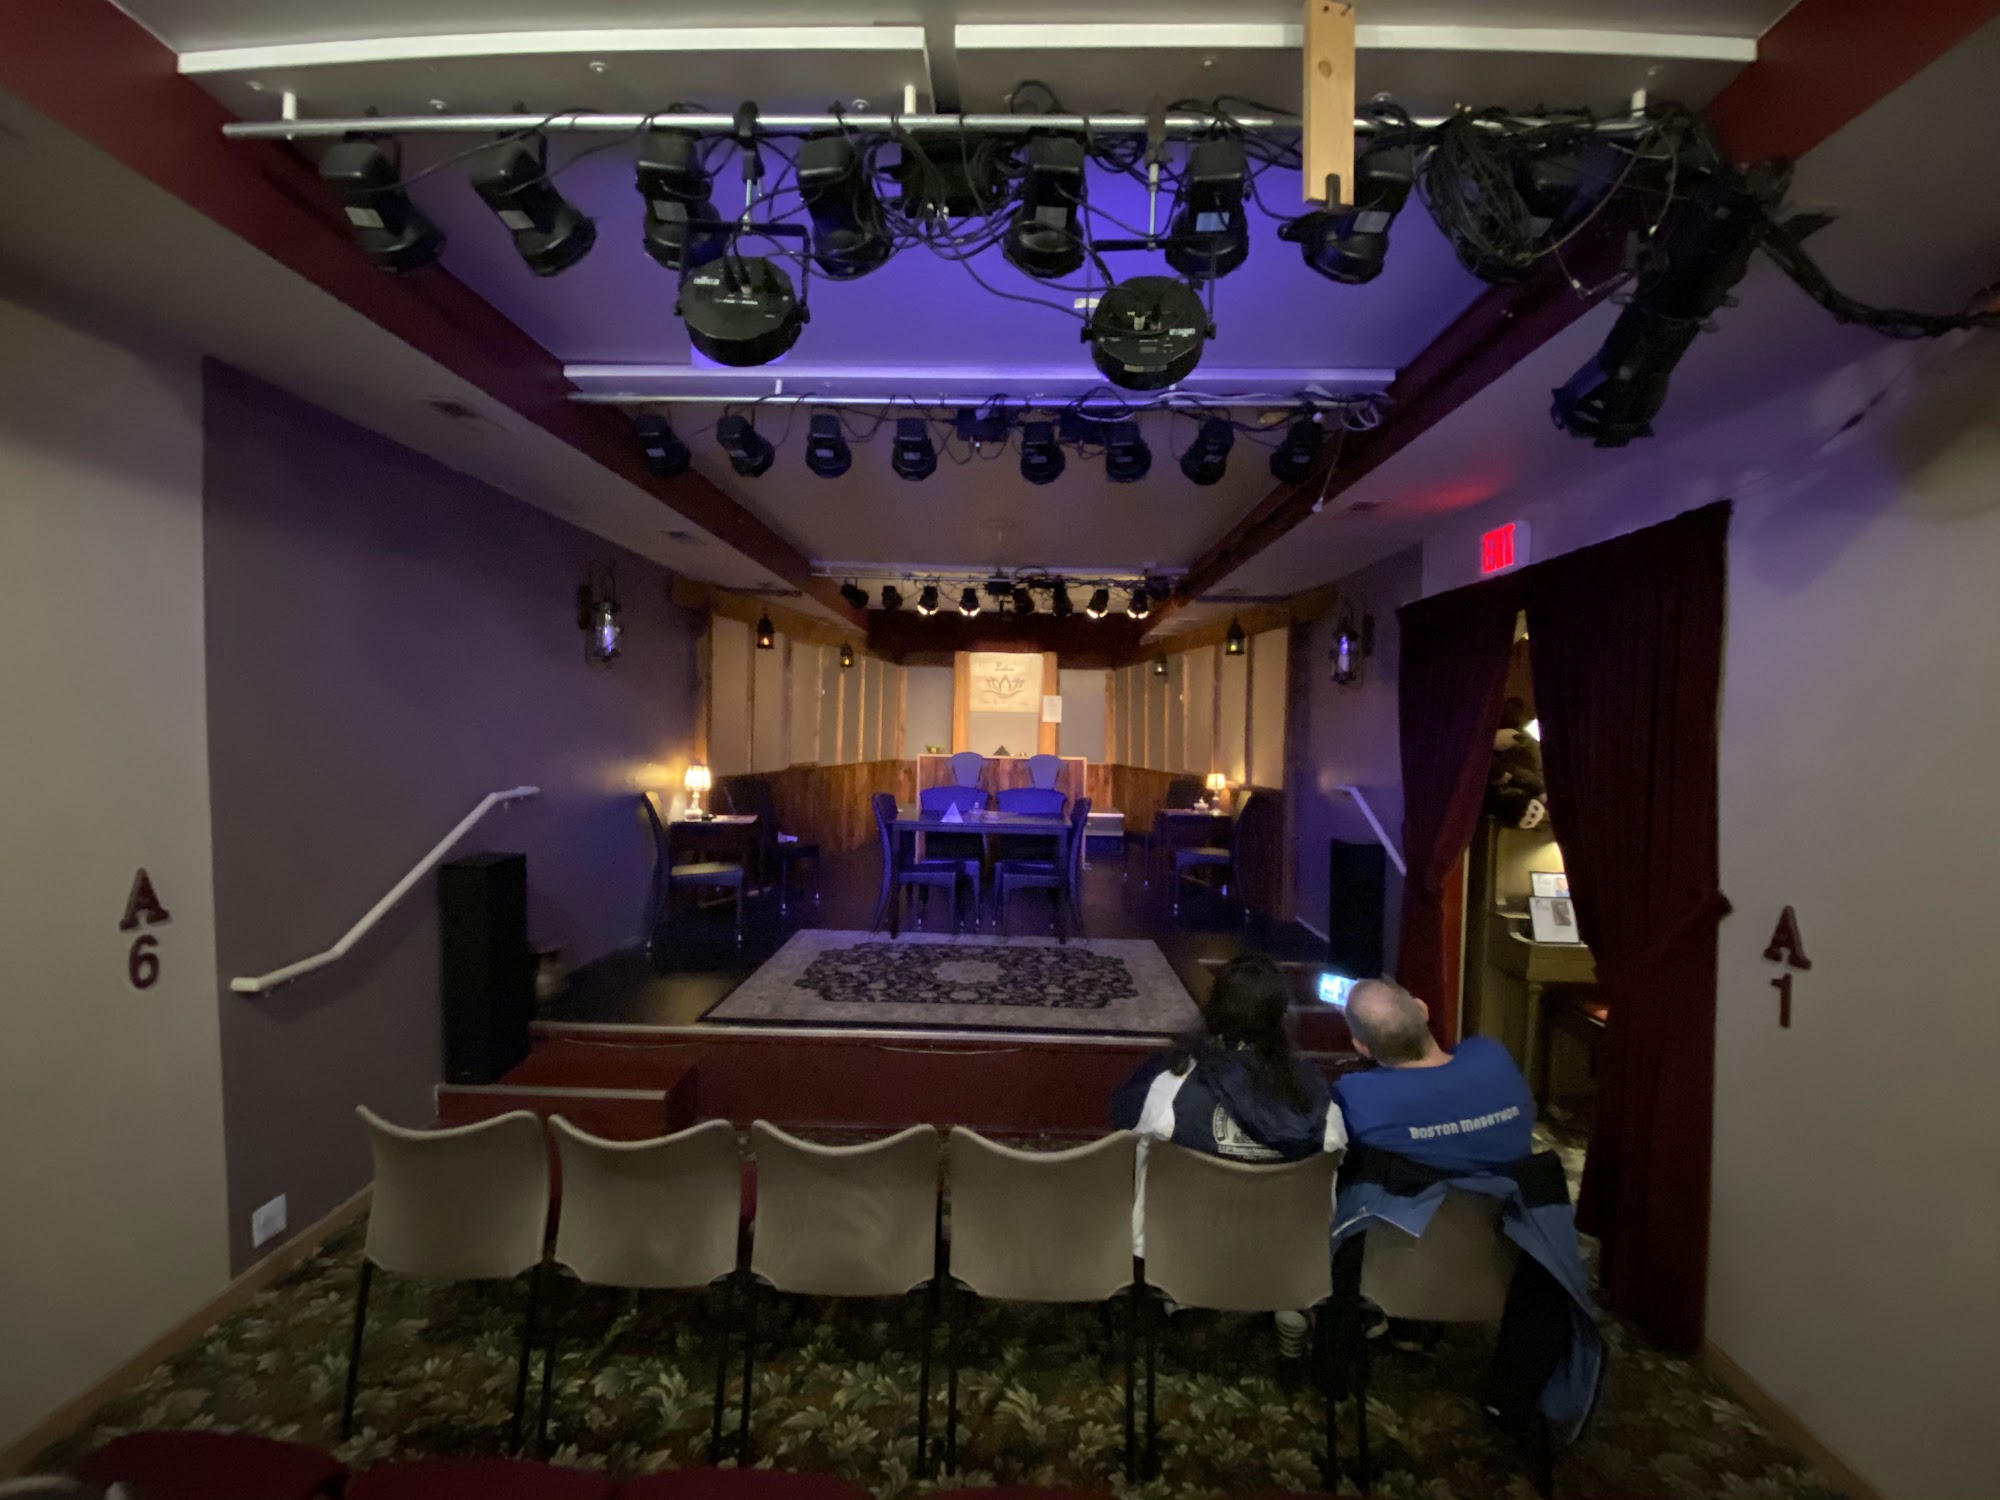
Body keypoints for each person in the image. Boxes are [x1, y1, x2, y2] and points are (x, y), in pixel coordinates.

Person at [1112, 955, 1347, 1166]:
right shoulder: (1319, 1099)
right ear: (1283, 1017)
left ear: (1213, 1008)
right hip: (1285, 1203)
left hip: (1186, 1202)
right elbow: (1334, 1160)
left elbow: (1127, 1133)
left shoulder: (1170, 1082)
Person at [1334, 978, 1534, 1172]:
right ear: (1423, 1009)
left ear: (1361, 1046)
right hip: (1517, 1189)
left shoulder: (1355, 1096)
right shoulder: (1491, 1056)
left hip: (1429, 1194)